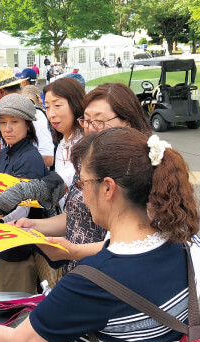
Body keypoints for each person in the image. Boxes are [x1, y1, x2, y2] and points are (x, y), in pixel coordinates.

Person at [0, 126, 200, 342]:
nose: (82, 197)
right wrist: (78, 250)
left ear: (108, 188)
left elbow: (20, 341)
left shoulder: (93, 281)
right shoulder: (183, 241)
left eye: (82, 185)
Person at [12, 83, 152, 275]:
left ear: (127, 121)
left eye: (99, 121)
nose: (91, 128)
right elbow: (78, 216)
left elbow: (136, 242)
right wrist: (33, 226)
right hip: (79, 269)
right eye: (86, 121)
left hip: (111, 274)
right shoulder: (88, 160)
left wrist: (75, 252)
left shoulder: (141, 169)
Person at [0, 93, 47, 294]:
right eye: (2, 122)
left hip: (19, 244)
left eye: (14, 121)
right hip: (2, 242)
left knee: (16, 308)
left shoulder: (29, 158)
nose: (7, 128)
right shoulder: (6, 152)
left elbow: (24, 208)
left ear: (28, 125)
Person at [0, 67, 54, 168]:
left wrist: (10, 164)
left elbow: (48, 159)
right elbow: (5, 149)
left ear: (2, 92)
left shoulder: (34, 114)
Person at [44, 78, 85, 211]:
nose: (51, 114)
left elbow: (67, 178)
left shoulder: (86, 143)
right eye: (47, 107)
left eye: (57, 106)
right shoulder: (62, 143)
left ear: (75, 105)